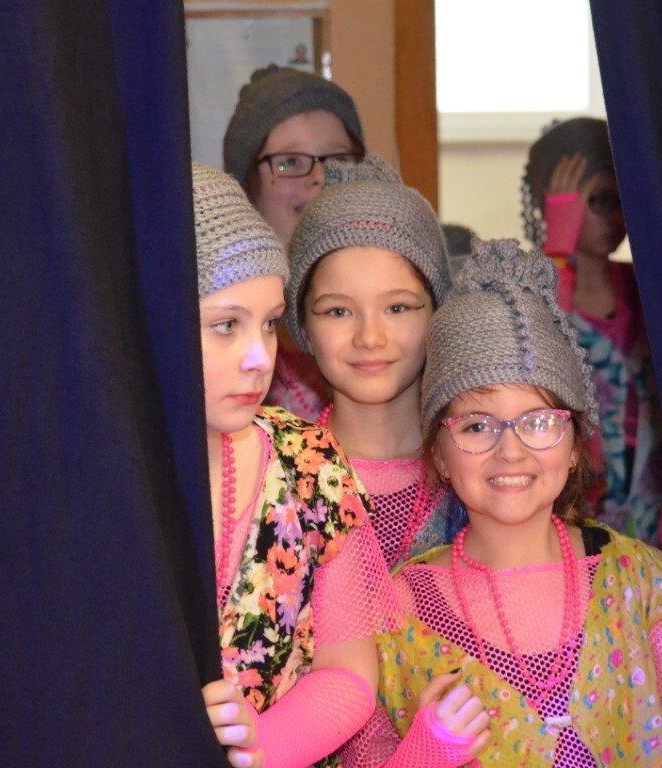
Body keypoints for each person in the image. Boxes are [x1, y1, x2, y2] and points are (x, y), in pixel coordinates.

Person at [340, 239, 662, 767]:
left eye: (539, 422)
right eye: (477, 426)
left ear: (576, 445)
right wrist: (423, 754)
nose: (510, 451)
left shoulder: (635, 580)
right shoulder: (395, 610)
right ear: (439, 454)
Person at [189, 163, 400, 768]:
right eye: (225, 326)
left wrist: (264, 746)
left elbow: (349, 670)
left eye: (269, 323)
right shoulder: (88, 482)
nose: (260, 357)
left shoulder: (307, 457)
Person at [286, 154, 462, 568]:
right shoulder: (277, 476)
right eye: (338, 311)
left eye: (397, 308)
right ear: (303, 327)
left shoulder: (478, 468)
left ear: (437, 315)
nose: (369, 338)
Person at [522, 116, 662, 545]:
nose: (617, 217)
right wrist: (558, 247)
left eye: (624, 200)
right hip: (570, 520)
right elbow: (535, 357)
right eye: (602, 200)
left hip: (652, 518)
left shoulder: (647, 286)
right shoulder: (530, 291)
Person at [223, 64, 367, 421]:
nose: (319, 177)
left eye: (339, 159)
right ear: (246, 187)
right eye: (289, 161)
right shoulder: (218, 319)